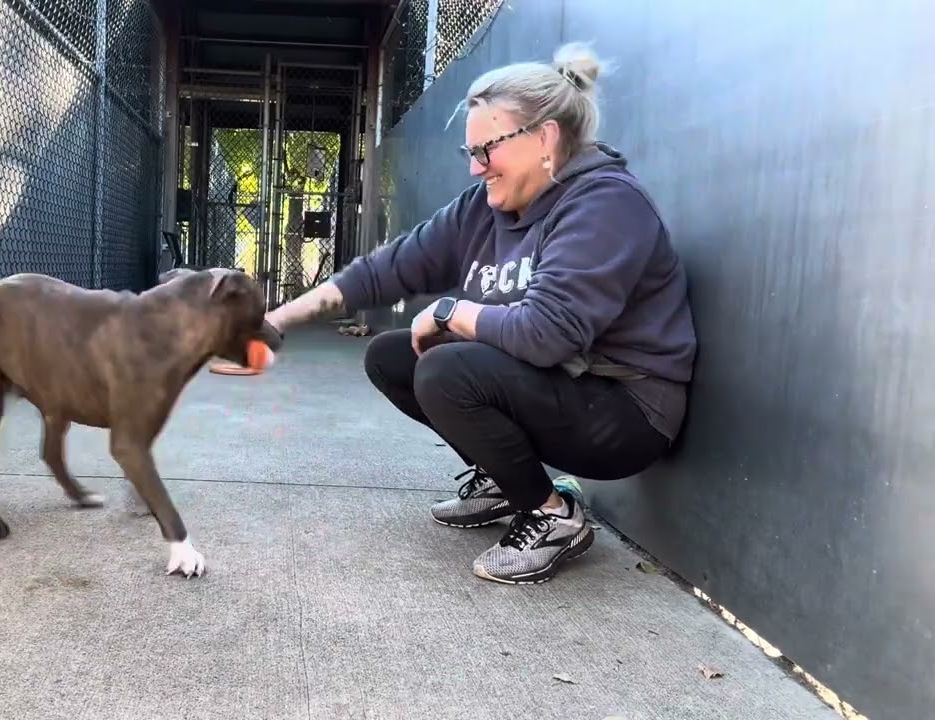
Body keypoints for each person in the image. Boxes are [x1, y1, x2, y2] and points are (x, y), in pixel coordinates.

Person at [263, 42, 698, 585]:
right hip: (563, 381)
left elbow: (547, 334)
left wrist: (451, 311)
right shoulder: (484, 208)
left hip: (627, 412)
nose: (475, 167)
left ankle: (554, 516)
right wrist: (277, 319)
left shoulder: (604, 203)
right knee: (392, 356)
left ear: (545, 138)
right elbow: (386, 270)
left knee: (446, 367)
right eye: (470, 152)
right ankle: (507, 481)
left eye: (487, 149)